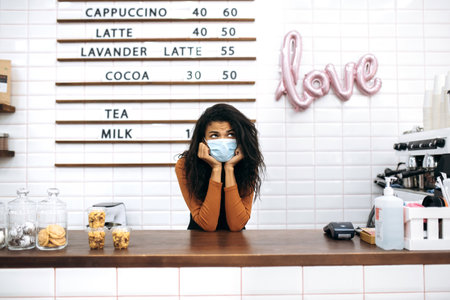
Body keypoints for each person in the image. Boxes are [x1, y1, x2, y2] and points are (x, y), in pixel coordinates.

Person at [175, 103, 264, 231]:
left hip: (237, 245)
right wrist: (216, 168)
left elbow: (236, 225)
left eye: (230, 134)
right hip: (198, 241)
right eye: (214, 135)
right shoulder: (185, 166)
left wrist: (229, 169)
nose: (223, 140)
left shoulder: (247, 163)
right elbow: (207, 224)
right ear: (203, 140)